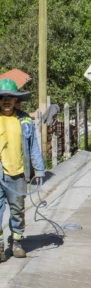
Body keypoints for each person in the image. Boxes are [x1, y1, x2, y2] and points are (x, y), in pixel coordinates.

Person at [0, 78, 45, 261]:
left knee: (17, 210)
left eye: (10, 97)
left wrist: (39, 171)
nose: (6, 101)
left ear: (15, 100)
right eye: (3, 97)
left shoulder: (25, 119)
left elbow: (33, 145)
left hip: (17, 173)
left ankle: (16, 241)